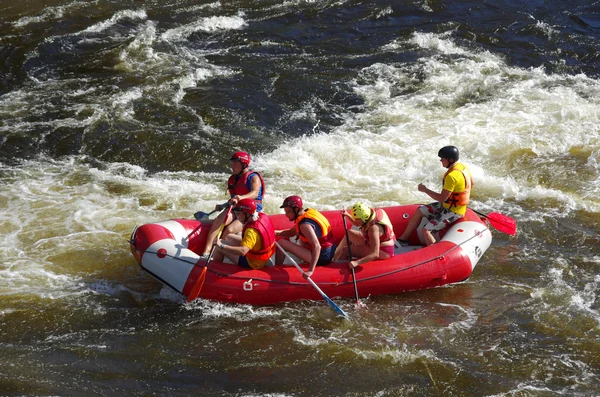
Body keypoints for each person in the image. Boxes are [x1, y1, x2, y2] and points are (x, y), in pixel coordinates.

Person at [396, 145, 473, 247]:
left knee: (426, 230)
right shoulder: (463, 167)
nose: (441, 160)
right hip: (449, 206)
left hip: (454, 211)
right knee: (420, 211)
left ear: (450, 160)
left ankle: (434, 253)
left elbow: (442, 198)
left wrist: (425, 190)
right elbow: (472, 182)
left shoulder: (452, 176)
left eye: (442, 159)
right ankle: (403, 239)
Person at [199, 151, 266, 259]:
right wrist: (223, 205)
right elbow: (234, 199)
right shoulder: (233, 179)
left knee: (229, 230)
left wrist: (241, 197)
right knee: (218, 221)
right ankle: (206, 252)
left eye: (235, 163)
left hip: (251, 211)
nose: (232, 166)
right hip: (237, 209)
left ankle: (221, 252)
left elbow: (255, 193)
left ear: (244, 164)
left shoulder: (253, 177)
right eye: (232, 163)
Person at [275, 196, 336, 279]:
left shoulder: (304, 225)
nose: (286, 215)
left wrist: (311, 270)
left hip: (322, 256)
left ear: (296, 209)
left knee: (281, 243)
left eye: (288, 211)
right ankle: (304, 258)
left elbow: (317, 246)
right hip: (329, 250)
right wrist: (273, 232)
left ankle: (275, 271)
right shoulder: (307, 212)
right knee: (300, 237)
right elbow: (291, 232)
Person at [212, 198, 275, 269]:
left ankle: (215, 269)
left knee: (218, 245)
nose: (238, 217)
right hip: (262, 255)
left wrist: (221, 246)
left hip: (252, 263)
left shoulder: (251, 231)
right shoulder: (263, 216)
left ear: (247, 214)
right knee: (228, 237)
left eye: (238, 214)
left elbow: (243, 251)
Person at [332, 202, 396, 269]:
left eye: (357, 219)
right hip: (374, 241)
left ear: (364, 217)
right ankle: (335, 257)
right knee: (349, 233)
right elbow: (359, 223)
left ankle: (335, 269)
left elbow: (375, 254)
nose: (355, 221)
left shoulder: (373, 229)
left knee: (345, 250)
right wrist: (347, 215)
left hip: (383, 250)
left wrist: (357, 262)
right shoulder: (372, 213)